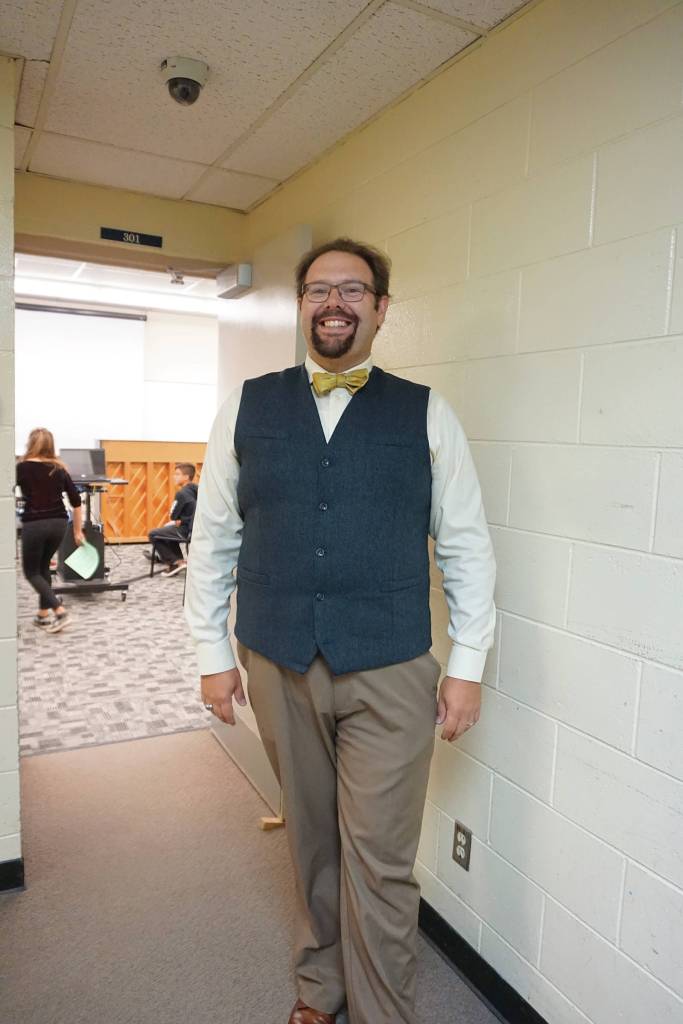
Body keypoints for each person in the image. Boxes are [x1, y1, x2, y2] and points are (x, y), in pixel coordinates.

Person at [185, 238, 496, 1024]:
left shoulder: (427, 412)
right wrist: (212, 653)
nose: (334, 303)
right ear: (300, 307)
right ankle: (320, 988)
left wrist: (467, 663)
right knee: (310, 842)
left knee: (380, 860)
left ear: (381, 308)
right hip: (277, 656)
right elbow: (214, 537)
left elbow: (464, 543)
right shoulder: (246, 406)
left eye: (353, 290)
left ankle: (384, 1012)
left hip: (389, 667)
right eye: (318, 289)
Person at [16, 428, 84, 634]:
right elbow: (76, 501)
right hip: (59, 524)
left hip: (35, 524)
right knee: (43, 567)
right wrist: (77, 531)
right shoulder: (59, 468)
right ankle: (43, 615)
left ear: (31, 443)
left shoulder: (22, 467)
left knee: (31, 572)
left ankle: (60, 611)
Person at [146, 463, 198, 576]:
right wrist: (182, 520)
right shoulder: (197, 490)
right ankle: (178, 561)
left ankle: (176, 562)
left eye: (177, 474)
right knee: (169, 530)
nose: (174, 476)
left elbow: (173, 515)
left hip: (186, 531)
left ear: (186, 477)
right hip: (196, 529)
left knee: (153, 534)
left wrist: (179, 520)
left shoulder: (181, 494)